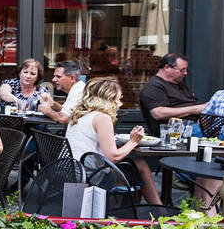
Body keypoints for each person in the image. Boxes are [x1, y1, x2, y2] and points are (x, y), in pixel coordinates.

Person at [65, 77, 163, 206]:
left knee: (137, 165)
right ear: (109, 97)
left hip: (71, 170)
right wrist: (134, 141)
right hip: (91, 175)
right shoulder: (102, 117)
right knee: (140, 166)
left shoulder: (80, 114)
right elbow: (113, 157)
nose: (121, 98)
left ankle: (146, 209)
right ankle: (157, 210)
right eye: (119, 96)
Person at [138, 53, 204, 136]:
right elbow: (158, 113)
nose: (185, 73)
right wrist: (195, 109)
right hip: (173, 133)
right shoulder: (153, 87)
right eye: (182, 70)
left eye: (186, 70)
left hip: (195, 127)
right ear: (167, 67)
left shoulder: (180, 84)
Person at [38, 59, 86, 125]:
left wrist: (47, 111)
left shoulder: (79, 91)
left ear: (72, 78)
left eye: (58, 77)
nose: (53, 80)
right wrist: (52, 103)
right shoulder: (77, 88)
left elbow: (64, 119)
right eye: (54, 76)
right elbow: (66, 111)